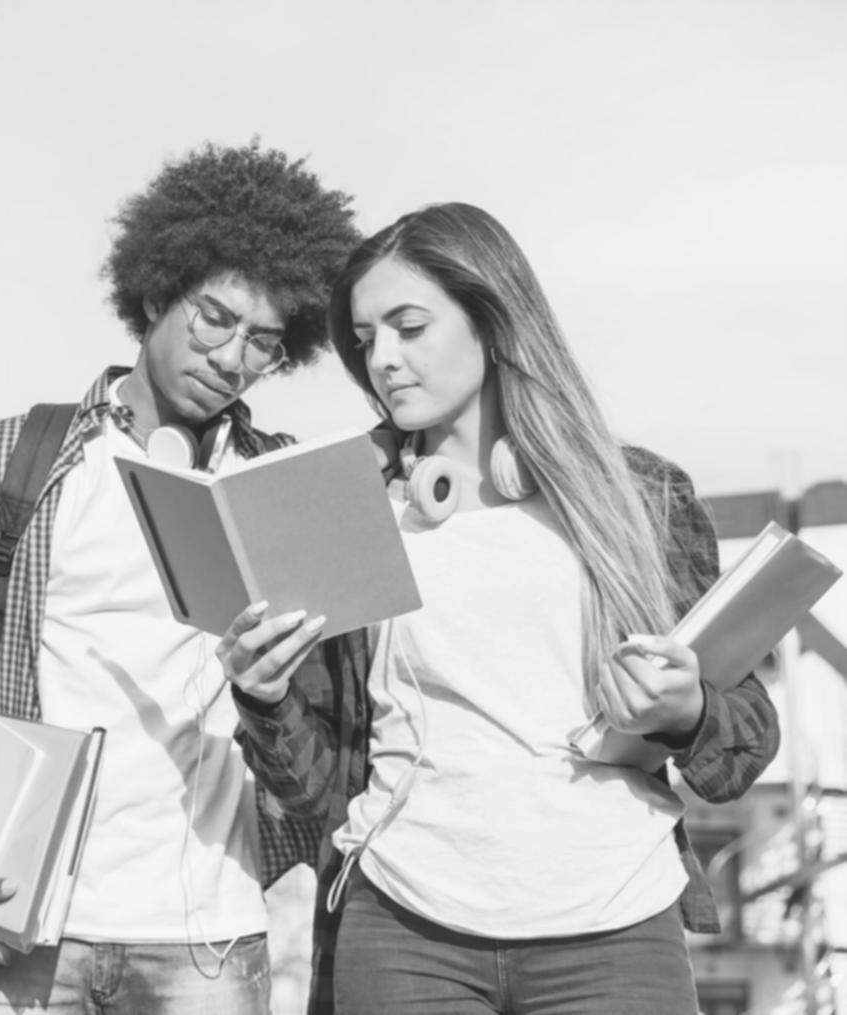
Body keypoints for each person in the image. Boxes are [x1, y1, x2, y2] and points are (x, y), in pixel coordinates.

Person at [220, 202, 781, 1014]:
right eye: (365, 339)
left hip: (617, 922)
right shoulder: (346, 512)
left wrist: (686, 710)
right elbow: (307, 790)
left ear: (490, 320)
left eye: (409, 326)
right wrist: (263, 695)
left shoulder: (637, 496)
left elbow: (744, 746)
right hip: (403, 930)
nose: (383, 359)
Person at [0, 141, 361, 1014]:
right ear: (157, 291)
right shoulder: (12, 461)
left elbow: (329, 728)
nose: (232, 357)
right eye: (214, 319)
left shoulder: (281, 489)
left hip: (209, 945)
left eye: (262, 341)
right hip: (15, 928)